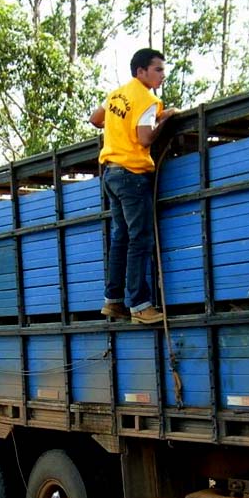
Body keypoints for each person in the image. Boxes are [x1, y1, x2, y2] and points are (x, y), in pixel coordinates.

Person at [90, 48, 178, 325]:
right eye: (158, 69)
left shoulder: (118, 93)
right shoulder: (147, 99)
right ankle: (140, 305)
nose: (162, 75)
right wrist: (164, 118)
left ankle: (113, 301)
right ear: (141, 71)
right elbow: (144, 139)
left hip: (111, 174)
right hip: (131, 173)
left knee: (121, 239)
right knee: (140, 240)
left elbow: (95, 119)